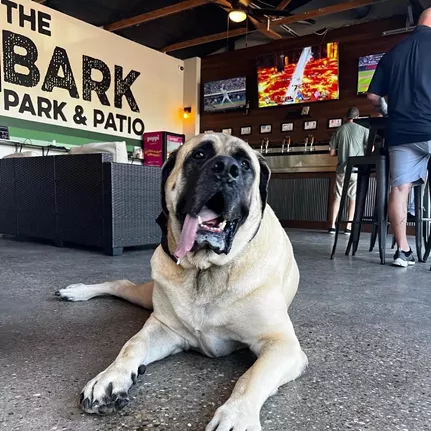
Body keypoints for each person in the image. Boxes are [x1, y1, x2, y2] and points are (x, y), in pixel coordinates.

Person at [367, 7, 431, 267]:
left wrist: (388, 111)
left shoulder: (393, 52)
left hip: (401, 132)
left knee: (400, 188)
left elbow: (372, 97)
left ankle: (402, 251)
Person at [328, 107, 369, 235]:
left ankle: (332, 226)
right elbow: (371, 148)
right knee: (353, 198)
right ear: (358, 117)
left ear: (347, 117)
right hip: (356, 170)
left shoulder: (339, 130)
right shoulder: (364, 129)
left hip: (342, 169)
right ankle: (348, 227)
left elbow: (332, 153)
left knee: (337, 197)